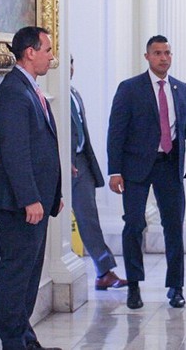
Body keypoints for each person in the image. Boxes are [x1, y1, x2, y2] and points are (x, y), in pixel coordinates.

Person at [107, 35, 186, 310]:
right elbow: (116, 132)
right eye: (158, 53)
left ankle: (176, 287)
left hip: (169, 165)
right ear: (147, 56)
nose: (163, 58)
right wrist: (114, 171)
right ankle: (134, 285)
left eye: (167, 53)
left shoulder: (181, 89)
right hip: (136, 168)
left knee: (174, 226)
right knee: (134, 224)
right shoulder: (130, 88)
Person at [0, 26, 63, 350]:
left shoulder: (29, 88)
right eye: (47, 49)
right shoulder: (14, 92)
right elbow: (15, 153)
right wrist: (31, 198)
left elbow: (42, 147)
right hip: (20, 204)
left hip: (37, 201)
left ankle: (26, 339)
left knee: (30, 274)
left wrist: (54, 194)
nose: (51, 56)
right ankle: (14, 343)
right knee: (17, 275)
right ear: (30, 52)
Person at [69, 55, 128, 291]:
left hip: (82, 162)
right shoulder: (49, 96)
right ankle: (104, 270)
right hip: (67, 164)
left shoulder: (73, 93)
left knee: (88, 217)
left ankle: (104, 271)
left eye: (72, 63)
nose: (71, 68)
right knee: (85, 218)